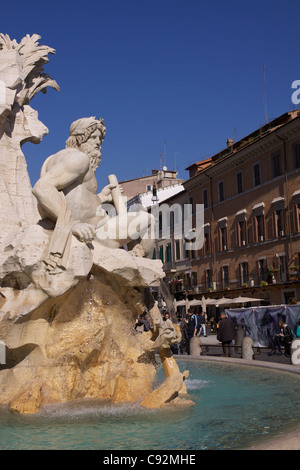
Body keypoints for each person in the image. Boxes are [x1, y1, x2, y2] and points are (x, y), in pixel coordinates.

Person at [32, 117, 155, 273]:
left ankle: (135, 263)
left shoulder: (55, 158)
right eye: (94, 137)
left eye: (100, 139)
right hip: (97, 234)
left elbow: (74, 198)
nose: (98, 143)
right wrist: (74, 224)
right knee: (148, 220)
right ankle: (140, 267)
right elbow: (41, 188)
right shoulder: (79, 159)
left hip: (90, 228)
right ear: (81, 137)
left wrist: (102, 198)